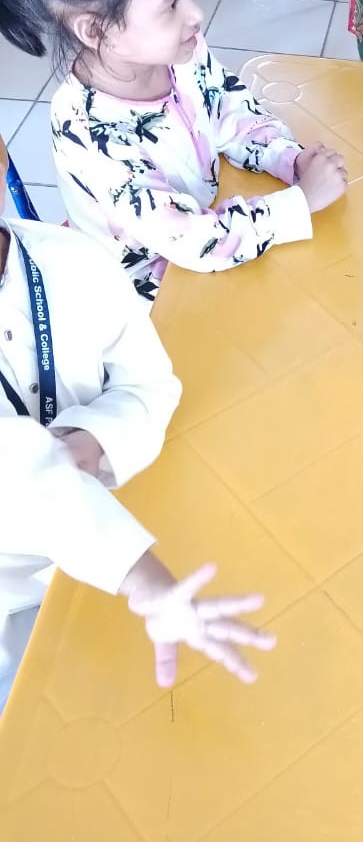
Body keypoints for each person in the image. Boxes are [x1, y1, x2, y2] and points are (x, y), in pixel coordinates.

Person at [0, 139, 276, 709]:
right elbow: (17, 474)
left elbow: (150, 383)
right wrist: (144, 579)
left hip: (131, 535)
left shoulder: (72, 261)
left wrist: (94, 439)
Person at [0, 0, 348, 303]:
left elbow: (226, 106)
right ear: (97, 30)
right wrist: (300, 203)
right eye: (171, 3)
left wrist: (288, 158)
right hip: (146, 301)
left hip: (212, 236)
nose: (195, 14)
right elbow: (195, 243)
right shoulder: (92, 135)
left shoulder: (179, 51)